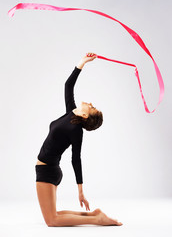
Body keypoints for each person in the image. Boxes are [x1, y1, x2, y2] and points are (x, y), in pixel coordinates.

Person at [35, 52, 123, 227]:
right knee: (55, 215)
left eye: (92, 108)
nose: (90, 104)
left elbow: (76, 159)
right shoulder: (71, 114)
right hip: (49, 169)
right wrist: (83, 62)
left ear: (85, 115)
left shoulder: (76, 130)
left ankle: (97, 220)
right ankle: (96, 215)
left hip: (48, 171)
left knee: (52, 220)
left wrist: (80, 191)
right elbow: (68, 86)